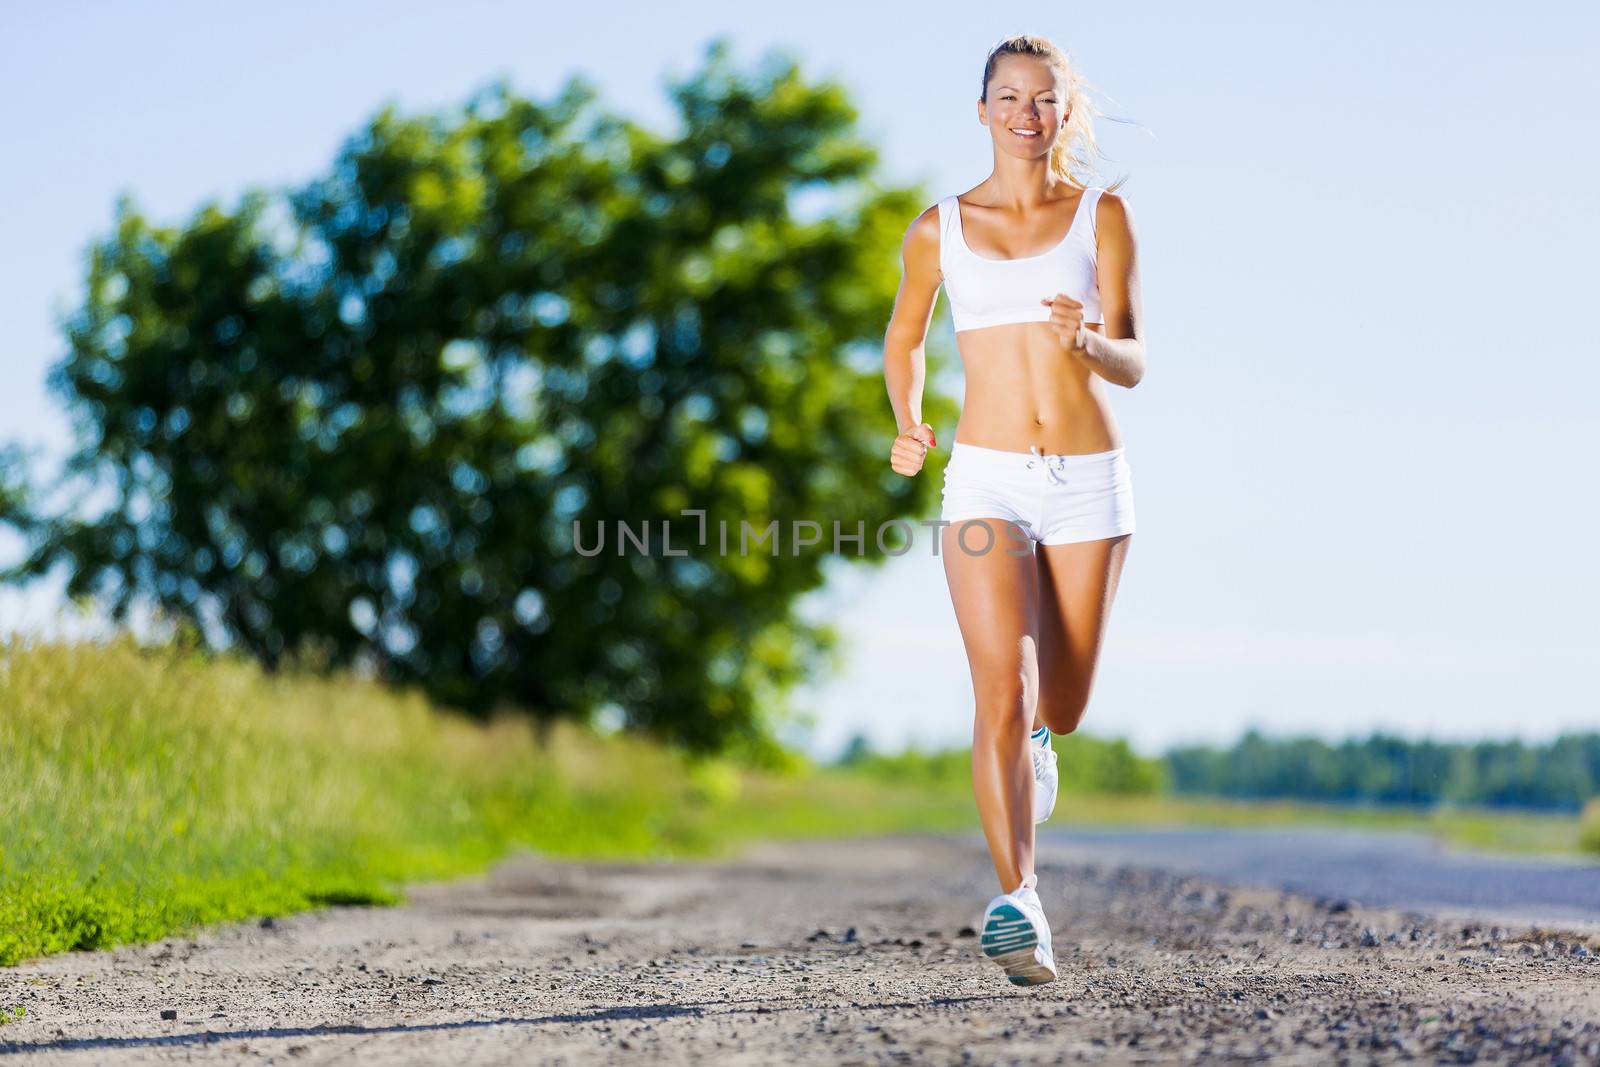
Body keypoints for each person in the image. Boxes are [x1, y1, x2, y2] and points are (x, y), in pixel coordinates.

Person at [881, 34, 1145, 987]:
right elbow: (903, 338)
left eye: (1044, 99)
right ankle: (1019, 901)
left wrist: (1090, 345)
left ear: (1063, 114)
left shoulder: (1101, 217)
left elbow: (1135, 359)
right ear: (983, 109)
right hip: (986, 479)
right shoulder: (937, 228)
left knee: (1059, 706)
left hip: (1087, 481)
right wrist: (909, 420)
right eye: (1008, 97)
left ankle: (1042, 742)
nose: (1026, 113)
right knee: (1001, 687)